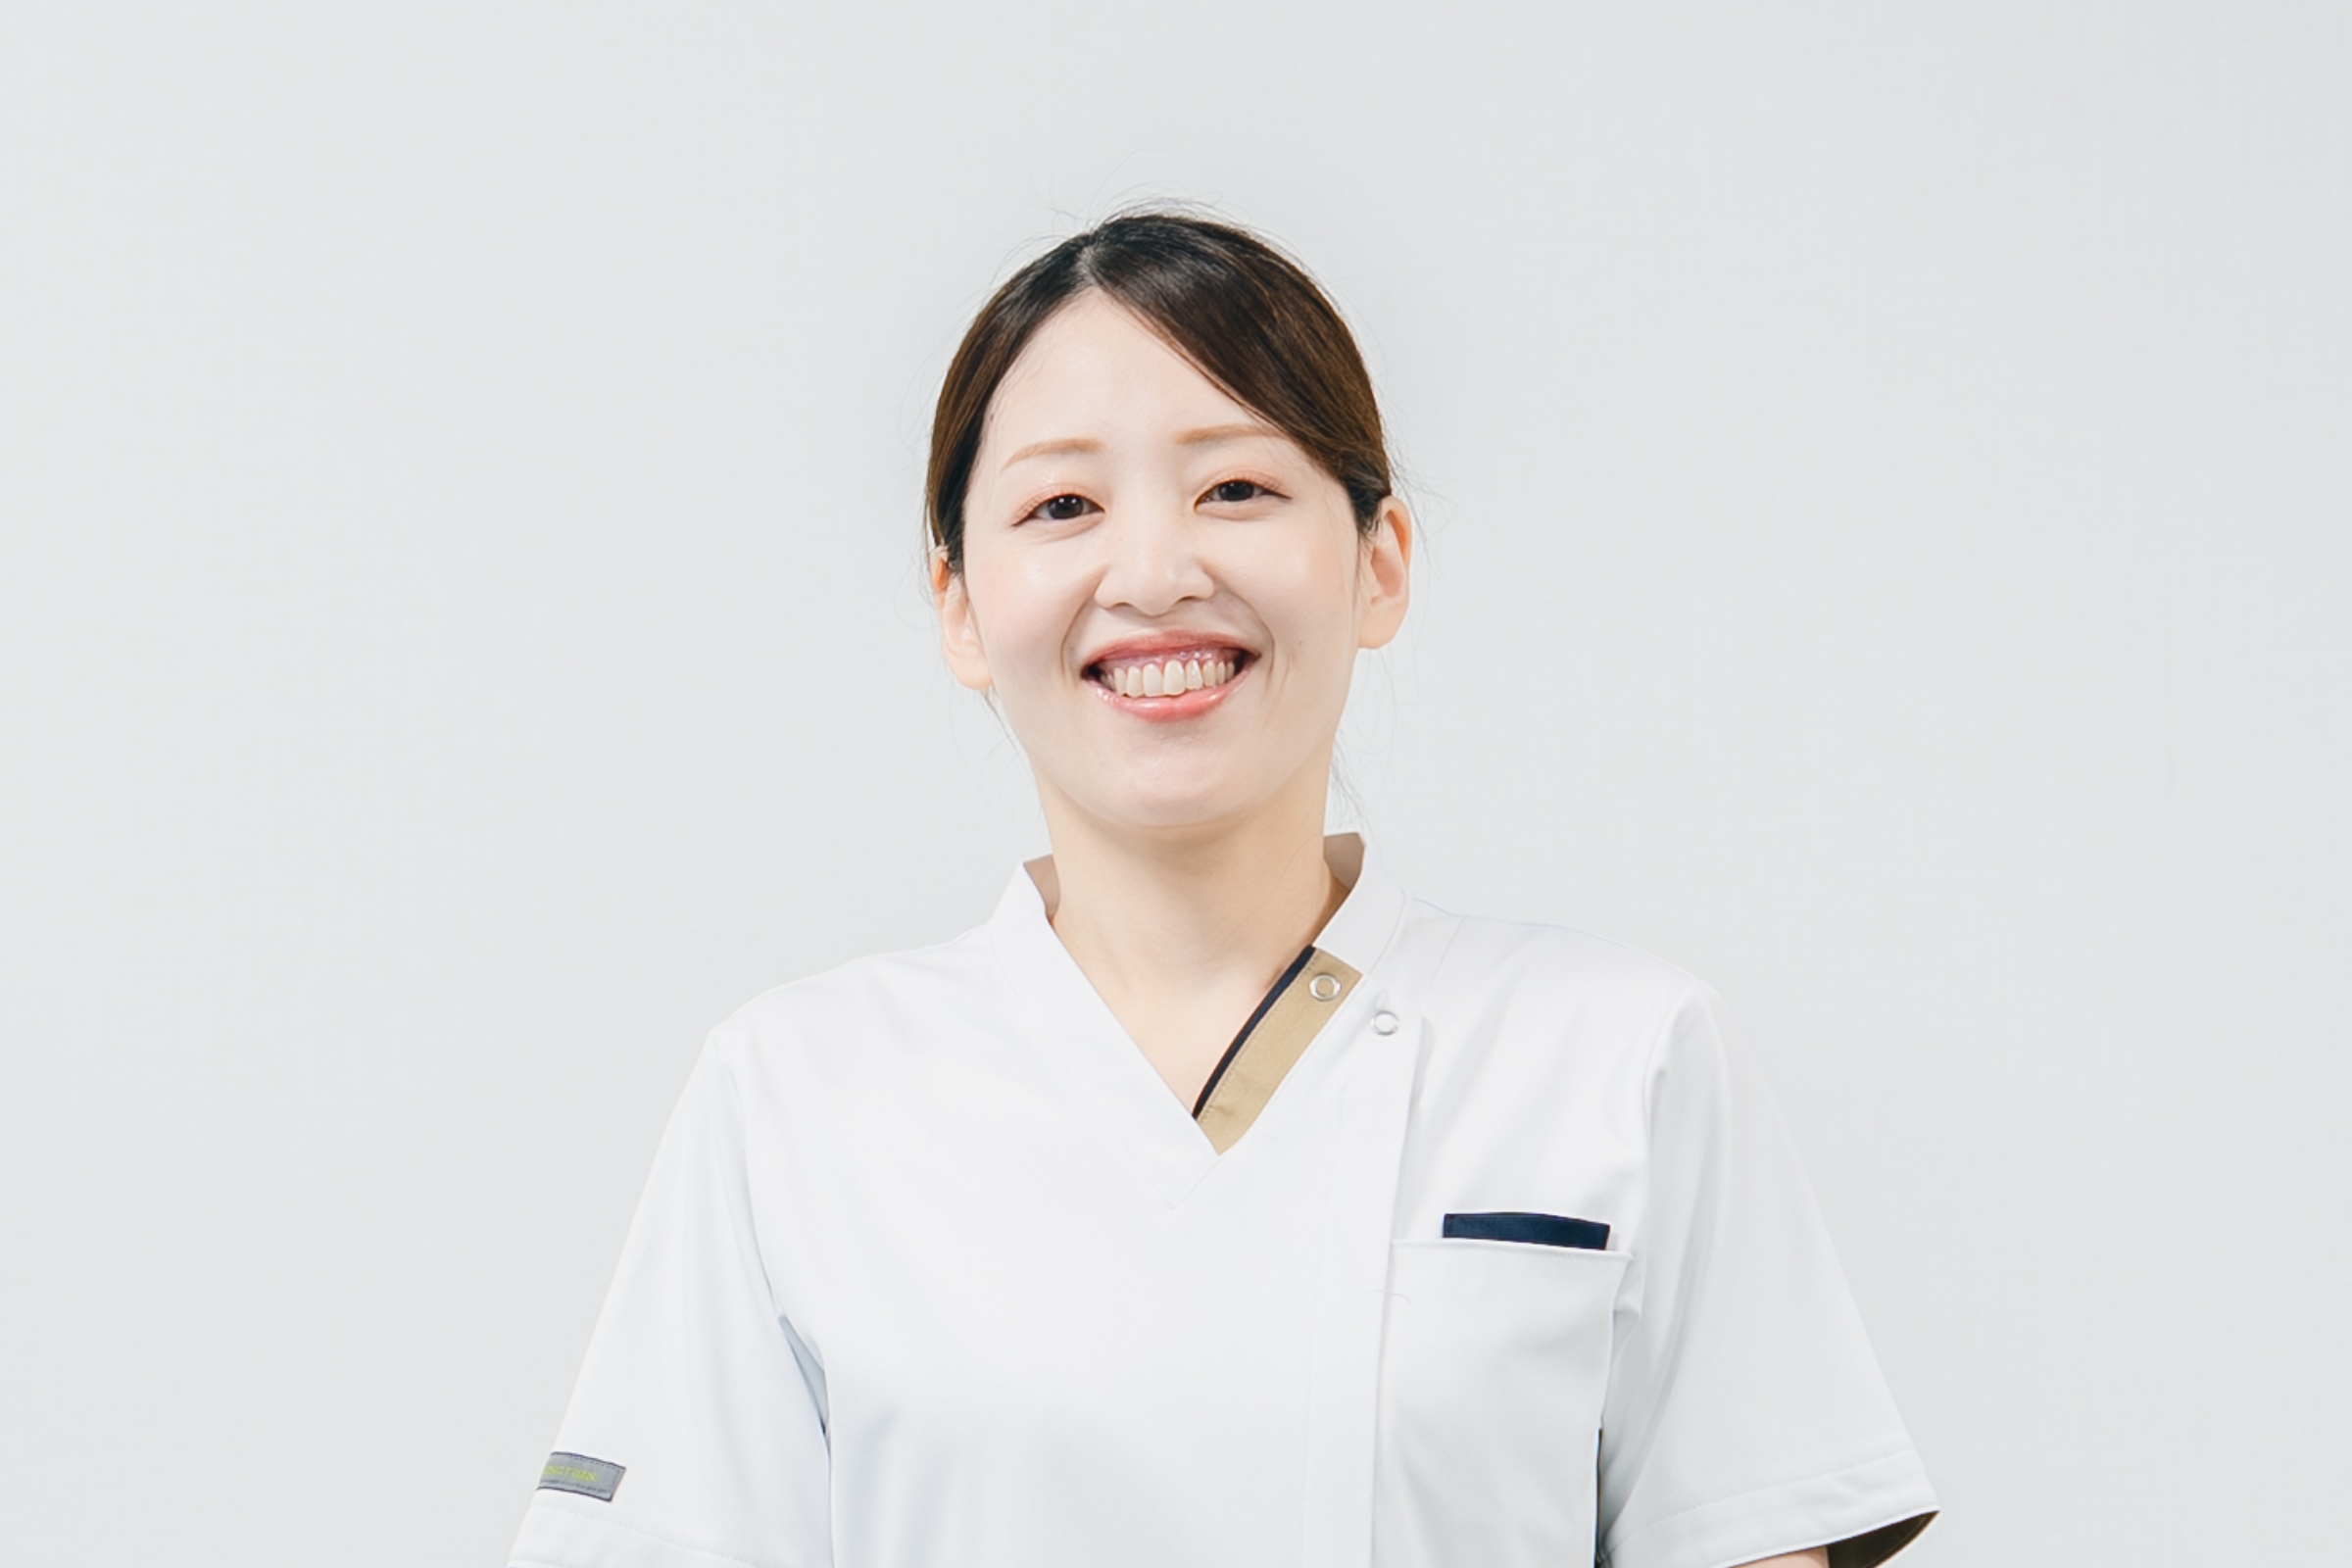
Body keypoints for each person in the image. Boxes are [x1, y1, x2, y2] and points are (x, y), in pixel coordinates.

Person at [508, 212, 1939, 1568]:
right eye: (1063, 504)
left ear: (1380, 564)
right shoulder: (797, 1093)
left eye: (1236, 488)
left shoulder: (1619, 1057)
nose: (1153, 572)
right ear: (959, 605)